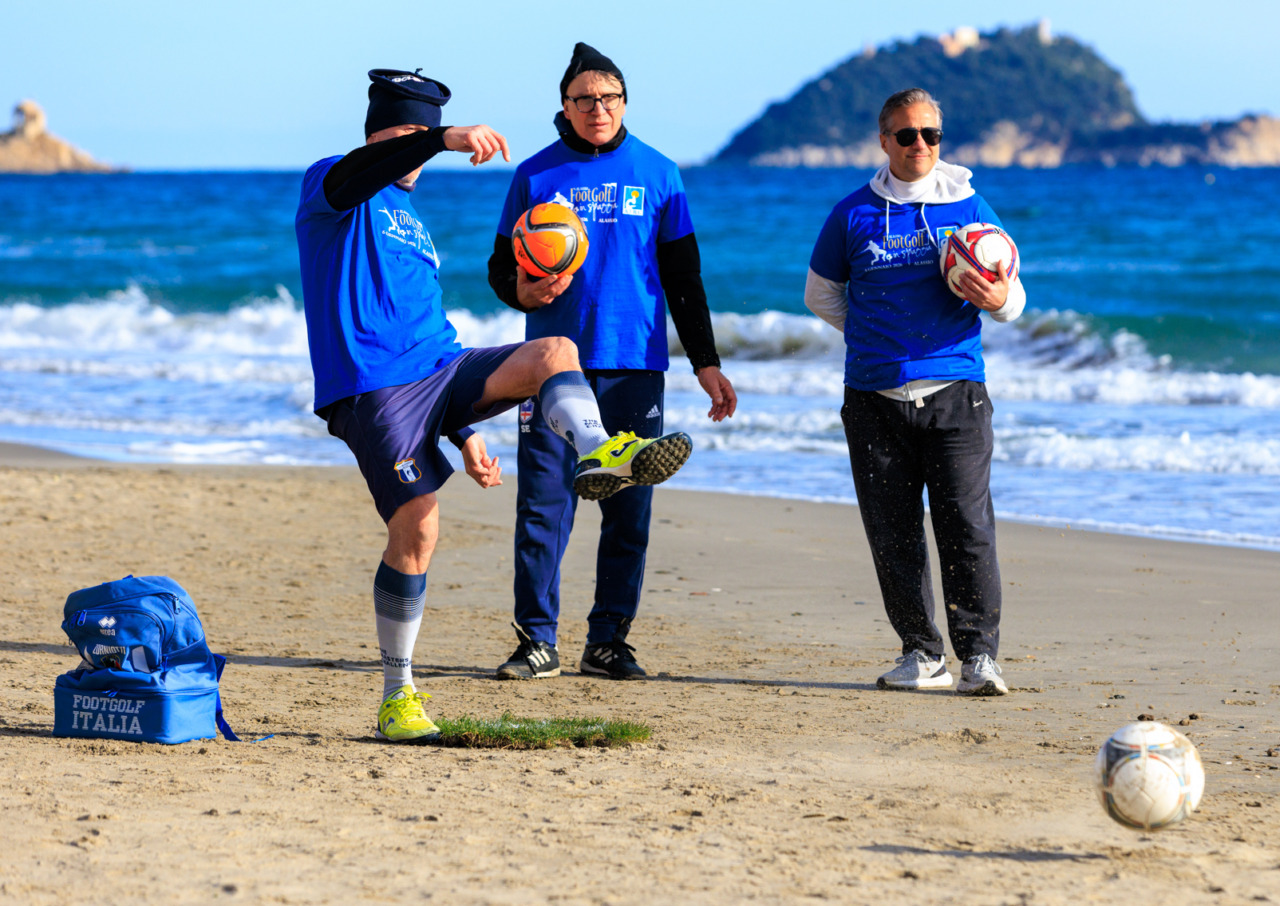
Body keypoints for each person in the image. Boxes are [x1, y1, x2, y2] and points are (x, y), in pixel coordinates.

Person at [295, 68, 694, 741]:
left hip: (437, 374)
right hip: (372, 389)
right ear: (387, 137)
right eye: (411, 137)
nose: (418, 154)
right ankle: (399, 694)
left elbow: (432, 332)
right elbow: (369, 167)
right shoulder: (334, 184)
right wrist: (442, 138)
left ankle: (600, 451)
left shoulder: (412, 220)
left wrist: (465, 428)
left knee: (553, 351)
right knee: (418, 531)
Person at [487, 43, 736, 681]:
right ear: (564, 108)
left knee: (628, 505)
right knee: (544, 504)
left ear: (624, 103)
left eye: (609, 98)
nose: (597, 109)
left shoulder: (659, 173)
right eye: (584, 100)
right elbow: (499, 269)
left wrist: (704, 363)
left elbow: (684, 277)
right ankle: (536, 642)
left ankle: (608, 641)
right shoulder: (536, 176)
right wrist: (524, 290)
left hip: (634, 363)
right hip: (548, 363)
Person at [805, 87, 1026, 696]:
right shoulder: (852, 213)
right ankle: (922, 655)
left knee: (967, 527)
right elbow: (820, 295)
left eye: (930, 135)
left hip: (956, 391)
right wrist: (879, 339)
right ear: (884, 141)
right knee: (893, 532)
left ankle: (980, 659)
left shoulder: (971, 206)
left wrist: (998, 298)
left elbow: (1015, 300)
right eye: (906, 135)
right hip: (873, 399)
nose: (920, 146)